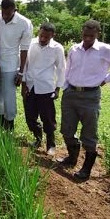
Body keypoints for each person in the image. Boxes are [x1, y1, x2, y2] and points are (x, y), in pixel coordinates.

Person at [58, 20, 110, 181]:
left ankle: (86, 169)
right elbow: (68, 68)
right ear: (81, 33)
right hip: (70, 94)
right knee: (66, 130)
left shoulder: (106, 50)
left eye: (91, 36)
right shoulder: (74, 49)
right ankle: (72, 158)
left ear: (98, 34)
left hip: (90, 96)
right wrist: (65, 87)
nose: (87, 38)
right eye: (85, 35)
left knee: (89, 133)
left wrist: (106, 79)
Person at [21, 23, 65, 156]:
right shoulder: (31, 43)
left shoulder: (57, 48)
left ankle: (51, 144)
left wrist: (57, 88)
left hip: (46, 87)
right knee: (30, 116)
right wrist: (23, 84)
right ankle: (38, 138)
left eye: (46, 37)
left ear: (52, 36)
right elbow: (24, 63)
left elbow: (62, 68)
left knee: (48, 118)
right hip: (30, 85)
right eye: (41, 35)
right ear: (38, 32)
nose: (43, 39)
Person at [0, 0, 33, 130]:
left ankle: (9, 126)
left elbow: (24, 49)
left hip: (11, 65)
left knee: (9, 97)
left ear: (14, 10)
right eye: (2, 13)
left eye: (7, 13)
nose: (4, 16)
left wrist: (21, 72)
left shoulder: (24, 23)